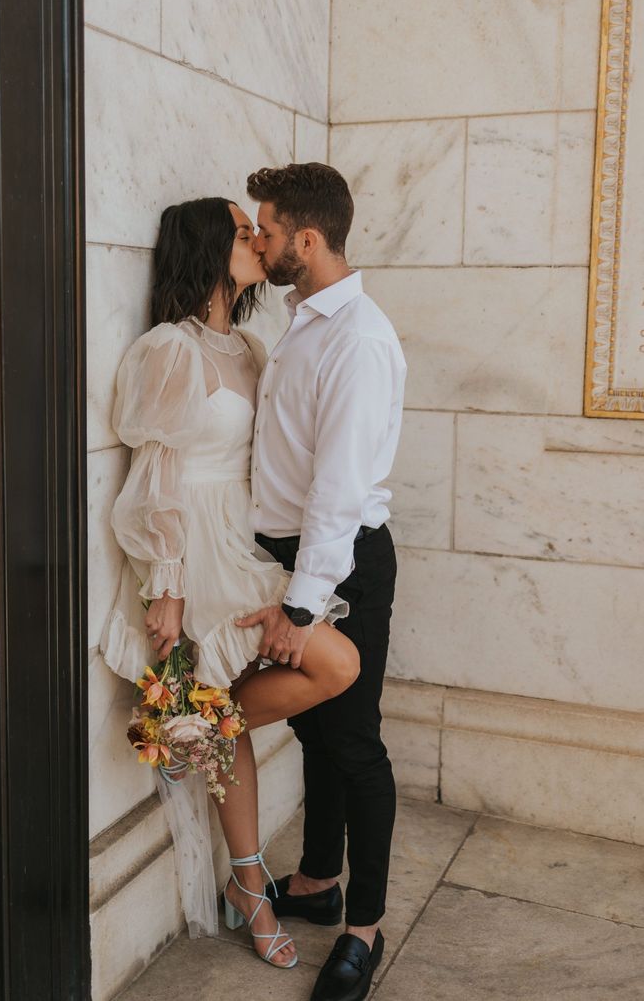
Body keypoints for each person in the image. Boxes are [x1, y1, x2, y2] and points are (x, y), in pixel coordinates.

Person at [101, 196, 360, 970]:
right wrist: (168, 584)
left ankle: (200, 722)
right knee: (232, 709)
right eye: (242, 231)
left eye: (258, 229)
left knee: (330, 664)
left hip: (238, 540)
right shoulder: (168, 349)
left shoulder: (249, 346)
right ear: (209, 246)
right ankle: (249, 888)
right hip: (189, 550)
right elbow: (157, 474)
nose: (256, 239)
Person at [235, 163, 407, 1001]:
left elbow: (337, 489)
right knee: (315, 736)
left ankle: (363, 928)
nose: (258, 242)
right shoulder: (303, 319)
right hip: (293, 558)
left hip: (337, 565)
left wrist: (302, 604)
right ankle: (315, 881)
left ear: (305, 239)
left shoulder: (358, 337)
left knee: (353, 742)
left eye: (264, 229)